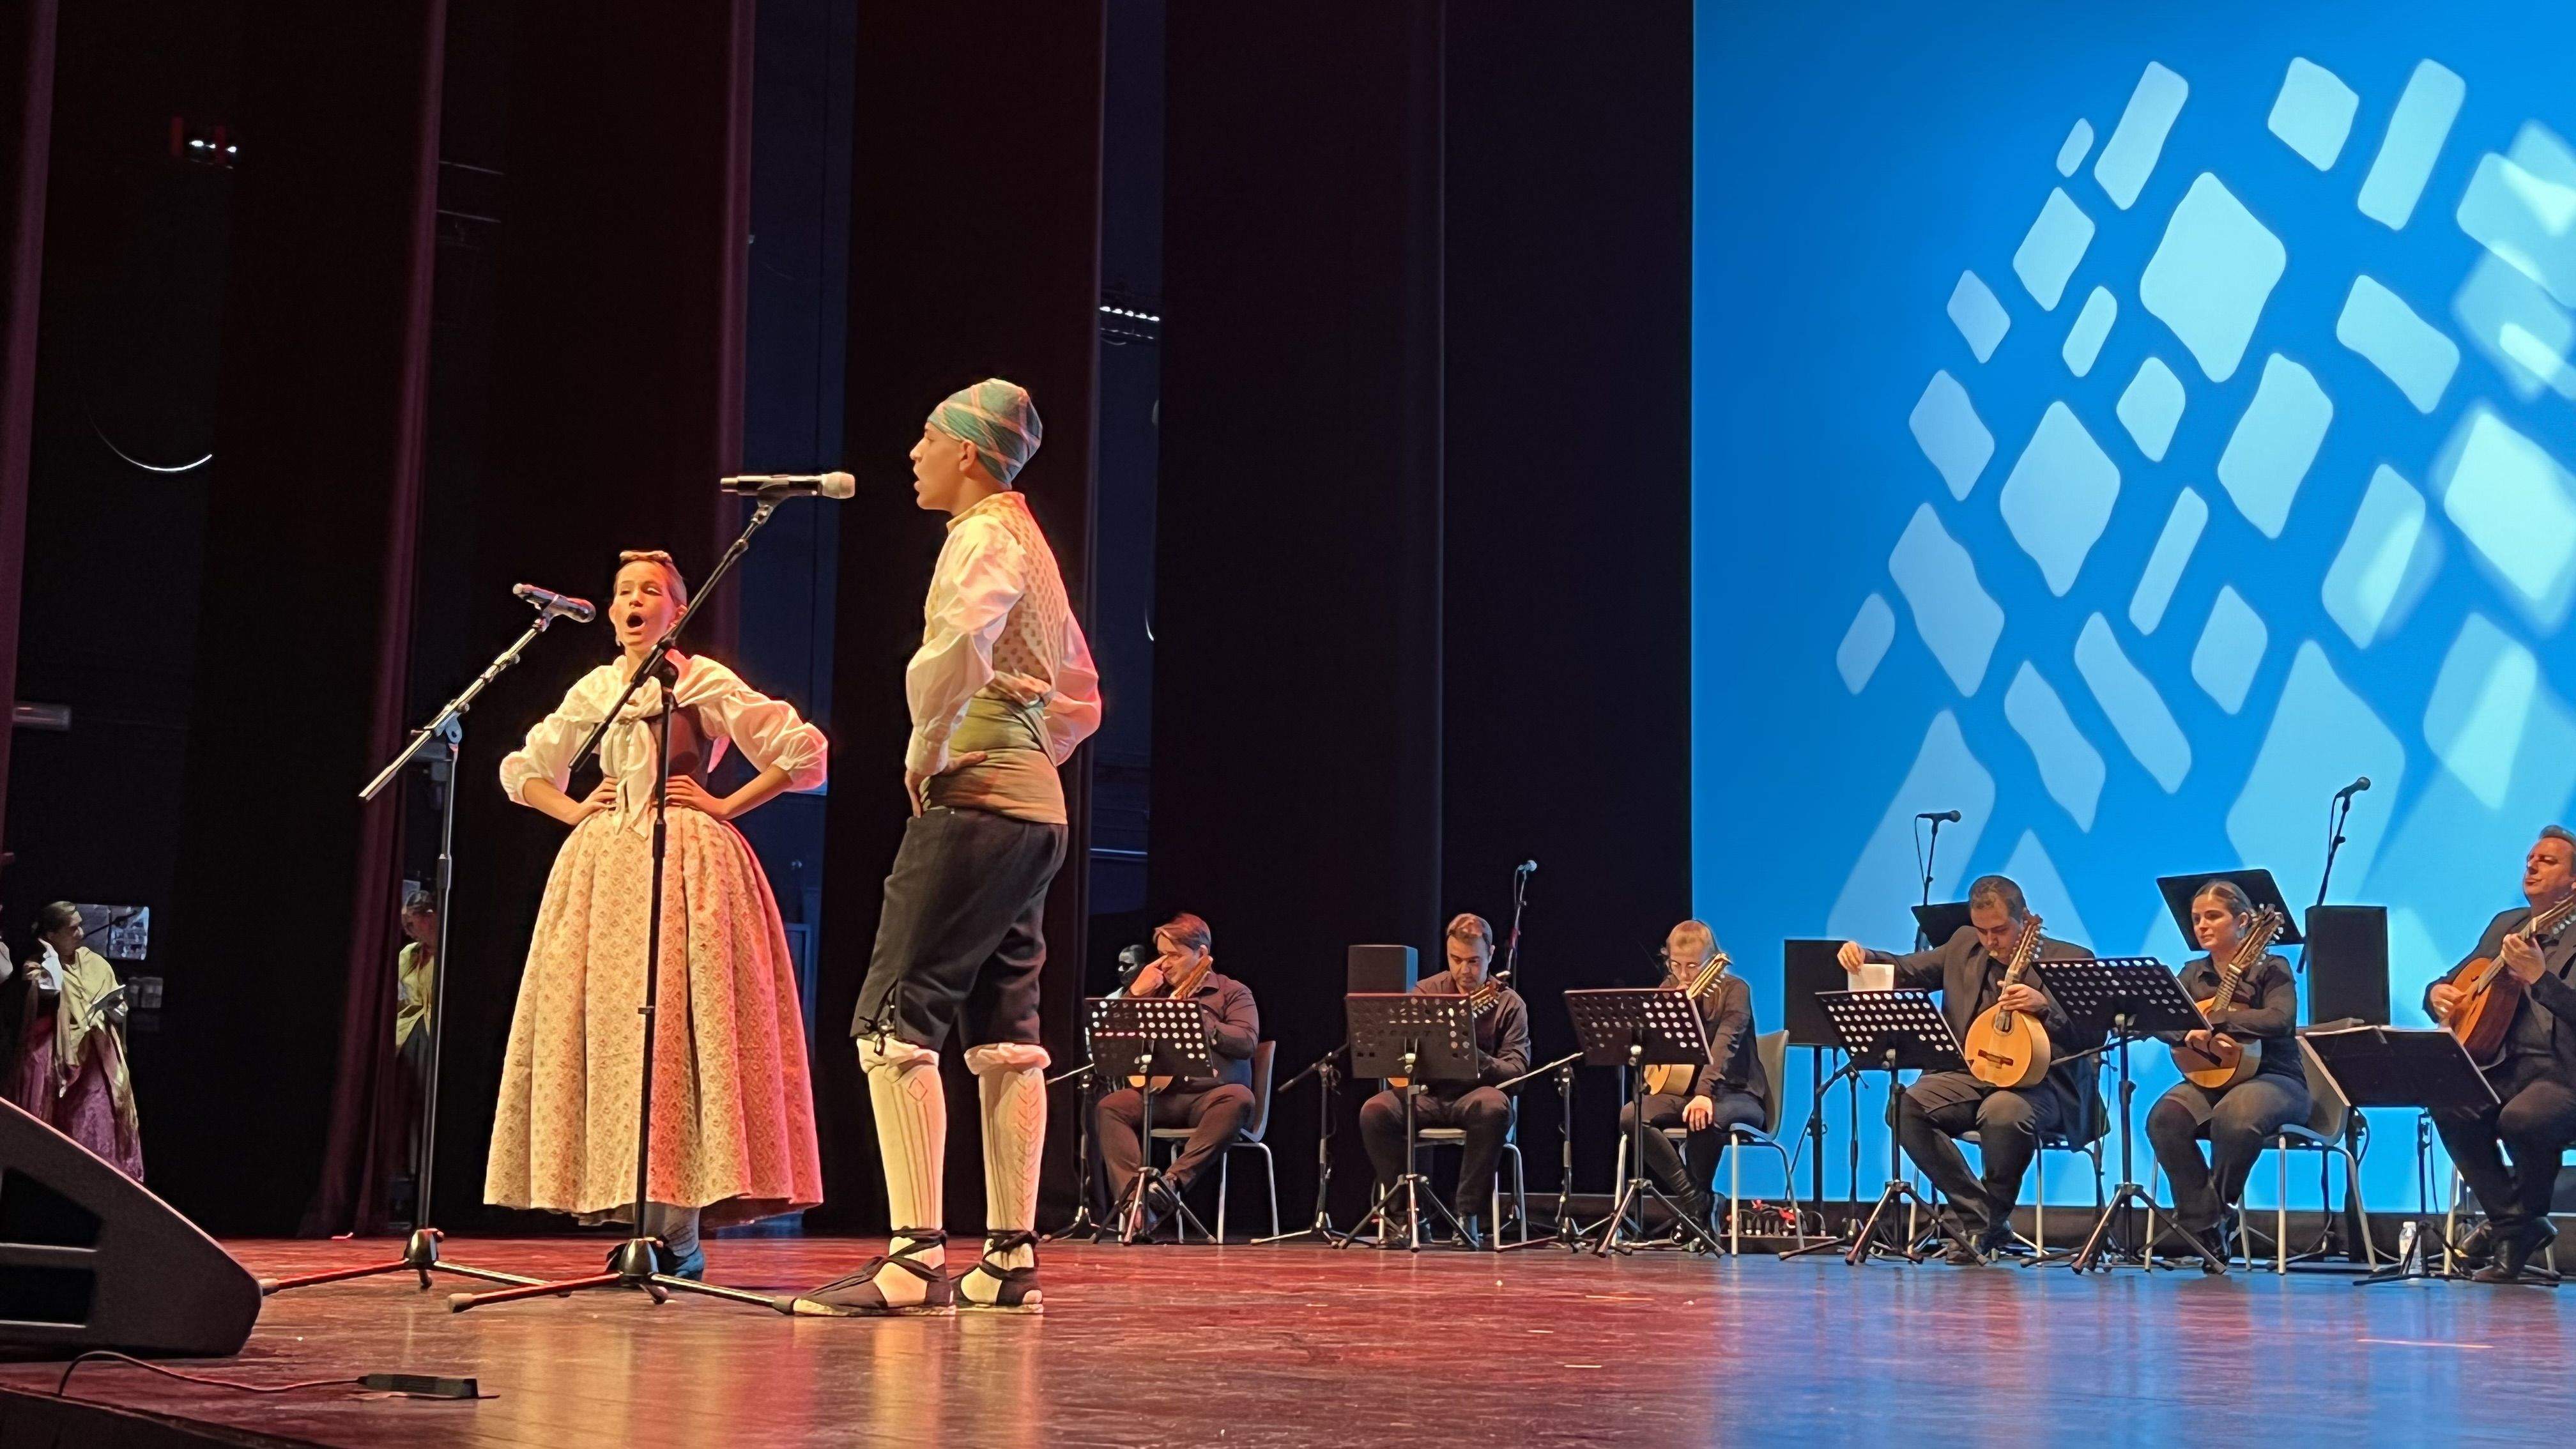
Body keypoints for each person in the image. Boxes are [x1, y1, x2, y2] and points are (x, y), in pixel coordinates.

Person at [795, 379, 1101, 1317]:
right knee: (1008, 1034)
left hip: (974, 799)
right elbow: (1081, 692)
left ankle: (910, 1258)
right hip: (1035, 809)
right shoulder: (1034, 545)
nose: (914, 454)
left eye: (927, 438)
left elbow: (957, 646)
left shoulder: (979, 537)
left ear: (968, 451)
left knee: (893, 1018)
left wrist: (928, 750)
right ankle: (1009, 1256)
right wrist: (1029, 747)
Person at [483, 549, 828, 1280]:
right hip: (606, 871)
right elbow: (524, 768)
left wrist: (729, 804)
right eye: (623, 592)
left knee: (676, 1035)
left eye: (651, 592)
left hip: (688, 868)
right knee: (615, 1041)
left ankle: (681, 1237)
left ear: (677, 610)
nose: (634, 601)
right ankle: (644, 1224)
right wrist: (575, 809)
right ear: (611, 614)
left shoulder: (700, 681)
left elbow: (802, 751)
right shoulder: (599, 688)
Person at [1838, 874, 2092, 1264]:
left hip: (2041, 1086)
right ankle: (1981, 1218)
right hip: (1970, 1075)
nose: (1991, 941)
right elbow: (1908, 970)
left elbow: (2092, 1034)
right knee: (1906, 1107)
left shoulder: (2069, 959)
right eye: (1983, 931)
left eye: (2001, 931)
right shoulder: (1963, 945)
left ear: (2025, 919)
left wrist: (2044, 1007)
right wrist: (1866, 956)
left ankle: (1983, 1223)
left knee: (2003, 1113)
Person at [2426, 826, 2576, 1283]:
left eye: (2548, 861)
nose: (2532, 865)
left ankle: (2510, 1231)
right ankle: (2518, 1224)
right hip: (2504, 1067)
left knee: (2524, 1119)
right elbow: (2453, 980)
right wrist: (2437, 994)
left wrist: (2540, 979)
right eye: (2531, 857)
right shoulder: (2506, 925)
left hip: (2566, 1076)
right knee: (2449, 1102)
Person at [2142, 879, 2305, 1253]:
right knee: (2164, 1120)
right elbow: (2160, 1019)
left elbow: (2281, 1019)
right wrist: (2186, 1035)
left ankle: (2215, 1212)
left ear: (2244, 920)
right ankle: (2205, 1222)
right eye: (2197, 918)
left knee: (2235, 1115)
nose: (2201, 925)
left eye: (2213, 916)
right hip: (2207, 1080)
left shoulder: (2272, 968)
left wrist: (2219, 1021)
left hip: (2276, 1080)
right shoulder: (2192, 974)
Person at [1356, 913, 1531, 1246]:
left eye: (1474, 961)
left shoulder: (1509, 1004)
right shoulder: (1427, 992)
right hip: (1429, 1094)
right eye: (1456, 960)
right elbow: (1397, 1052)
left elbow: (1518, 1073)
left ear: (1491, 954)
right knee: (1375, 1111)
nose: (1465, 970)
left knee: (1495, 1107)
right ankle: (1406, 1216)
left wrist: (1477, 1060)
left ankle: (1467, 1217)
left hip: (1476, 1097)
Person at [1094, 912, 1259, 1238]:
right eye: (1161, 955)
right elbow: (1110, 1037)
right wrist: (1135, 995)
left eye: (1174, 955)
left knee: (1240, 1098)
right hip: (1162, 1097)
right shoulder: (1155, 992)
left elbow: (1247, 1042)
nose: (1165, 964)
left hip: (1209, 1096)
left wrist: (1202, 1021)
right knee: (1110, 1106)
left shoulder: (1232, 991)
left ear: (1200, 954)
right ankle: (1136, 1205)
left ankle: (1168, 1186)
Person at [1619, 919, 1768, 1232]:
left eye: (1692, 966)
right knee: (1632, 1114)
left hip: (1737, 1093)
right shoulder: (1669, 989)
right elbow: (1654, 1048)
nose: (1684, 975)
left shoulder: (1736, 991)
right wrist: (1673, 1011)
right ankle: (1696, 1201)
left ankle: (1695, 1215)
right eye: (1676, 965)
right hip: (1684, 1092)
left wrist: (1703, 1093)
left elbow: (1725, 1047)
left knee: (1704, 1115)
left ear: (1713, 961)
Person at [8, 903, 143, 1181]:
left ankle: (96, 1184)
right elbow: (52, 988)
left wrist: (116, 1010)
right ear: (51, 935)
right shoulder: (38, 967)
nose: (81, 933)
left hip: (96, 1059)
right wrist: (51, 956)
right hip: (55, 1060)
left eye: (81, 925)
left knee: (94, 1123)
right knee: (56, 1129)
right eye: (72, 929)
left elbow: (117, 1005)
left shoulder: (94, 962)